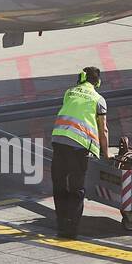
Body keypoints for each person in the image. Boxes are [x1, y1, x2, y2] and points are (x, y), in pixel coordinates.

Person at [50, 66, 111, 239]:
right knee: (76, 189)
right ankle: (71, 230)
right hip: (79, 147)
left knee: (59, 186)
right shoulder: (98, 99)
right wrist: (106, 154)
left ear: (81, 78)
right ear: (97, 82)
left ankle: (61, 226)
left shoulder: (69, 92)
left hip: (59, 140)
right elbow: (103, 129)